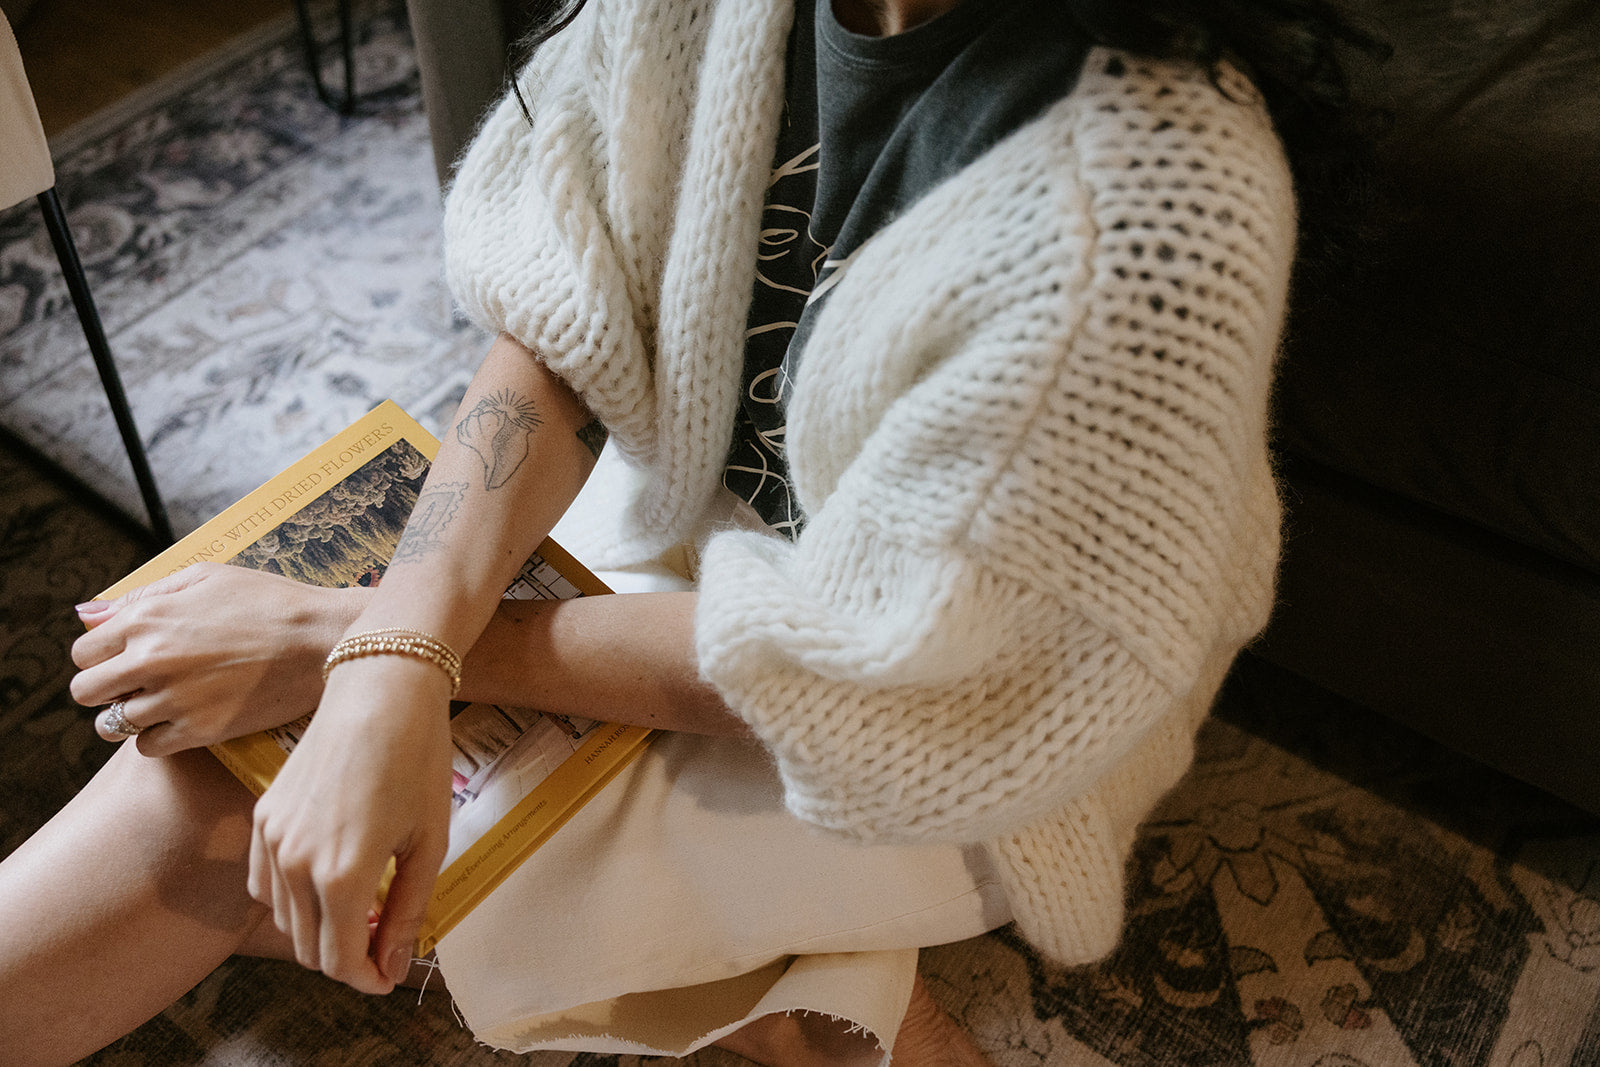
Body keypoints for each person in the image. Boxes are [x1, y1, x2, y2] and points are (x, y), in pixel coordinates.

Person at [0, 0, 1378, 1063]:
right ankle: (804, 999)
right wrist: (393, 656)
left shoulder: (1153, 205)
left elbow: (882, 671)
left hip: (968, 737)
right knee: (268, 756)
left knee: (209, 807)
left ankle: (802, 993)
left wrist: (349, 643)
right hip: (677, 542)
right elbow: (564, 312)